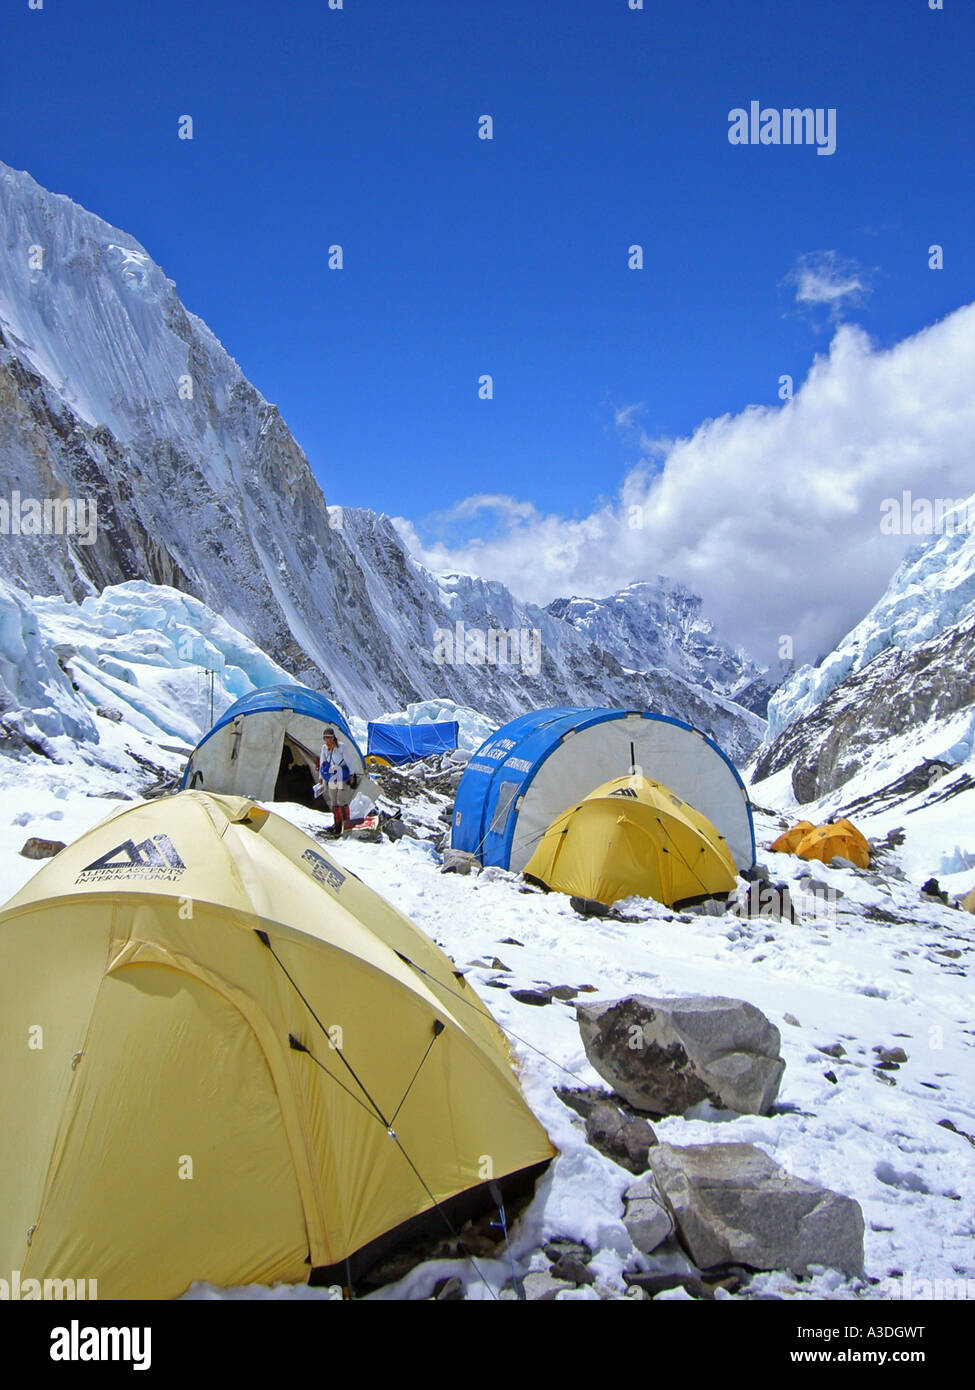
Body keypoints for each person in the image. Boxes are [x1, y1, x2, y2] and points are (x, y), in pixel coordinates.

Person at [318, 726, 356, 836]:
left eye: (330, 737)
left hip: (342, 776)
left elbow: (348, 760)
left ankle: (346, 824)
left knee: (341, 800)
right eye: (326, 738)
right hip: (332, 777)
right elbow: (322, 763)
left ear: (334, 738)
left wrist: (351, 774)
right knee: (334, 800)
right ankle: (337, 824)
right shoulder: (324, 748)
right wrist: (321, 777)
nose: (328, 740)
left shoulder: (341, 747)